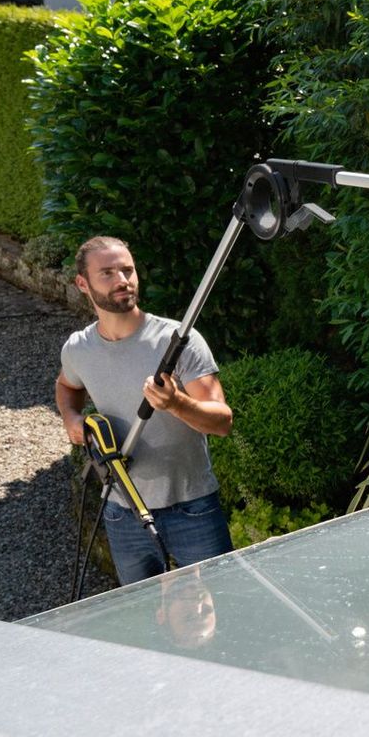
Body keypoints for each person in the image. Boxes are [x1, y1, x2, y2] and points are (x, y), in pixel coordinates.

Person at [55, 236, 234, 585]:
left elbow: (222, 421)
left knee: (219, 607)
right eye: (107, 273)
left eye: (128, 270)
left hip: (192, 507)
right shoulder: (79, 348)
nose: (122, 280)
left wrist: (177, 403)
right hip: (122, 511)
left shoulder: (178, 340)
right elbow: (66, 386)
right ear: (82, 284)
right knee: (142, 616)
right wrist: (71, 418)